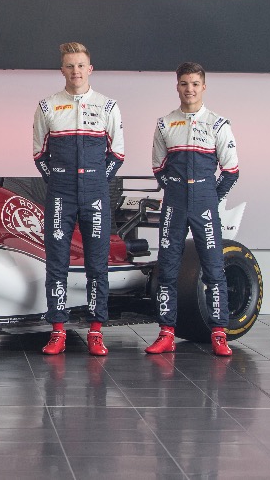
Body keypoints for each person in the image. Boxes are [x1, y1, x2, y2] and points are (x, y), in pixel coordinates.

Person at [33, 42, 124, 356]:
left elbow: (117, 154)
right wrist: (61, 179)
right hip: (61, 194)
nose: (76, 71)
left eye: (81, 65)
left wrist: (94, 180)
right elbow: (39, 155)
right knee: (56, 263)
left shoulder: (108, 106)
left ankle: (96, 331)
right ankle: (57, 330)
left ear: (90, 69)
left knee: (97, 264)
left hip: (95, 194)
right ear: (62, 70)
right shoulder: (47, 106)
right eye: (70, 66)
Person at [145, 62, 239, 357]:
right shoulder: (165, 123)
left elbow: (231, 171)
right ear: (177, 86)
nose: (190, 89)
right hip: (174, 202)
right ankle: (166, 333)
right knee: (167, 268)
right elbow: (158, 167)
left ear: (203, 87)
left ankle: (219, 333)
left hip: (204, 203)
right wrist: (176, 190)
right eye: (184, 83)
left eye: (195, 84)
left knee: (213, 268)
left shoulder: (218, 123)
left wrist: (210, 197)